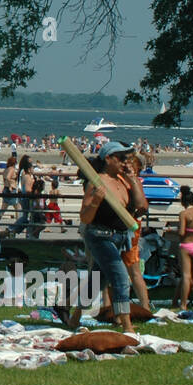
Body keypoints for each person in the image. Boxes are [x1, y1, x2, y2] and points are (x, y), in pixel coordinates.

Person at [67, 142, 147, 334]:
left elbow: (142, 206)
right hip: (99, 237)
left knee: (96, 281)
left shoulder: (125, 180)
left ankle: (74, 318)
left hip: (120, 237)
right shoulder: (96, 182)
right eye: (120, 158)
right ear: (108, 159)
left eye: (126, 158)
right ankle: (127, 325)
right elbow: (85, 217)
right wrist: (96, 201)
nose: (124, 162)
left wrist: (133, 179)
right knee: (121, 278)